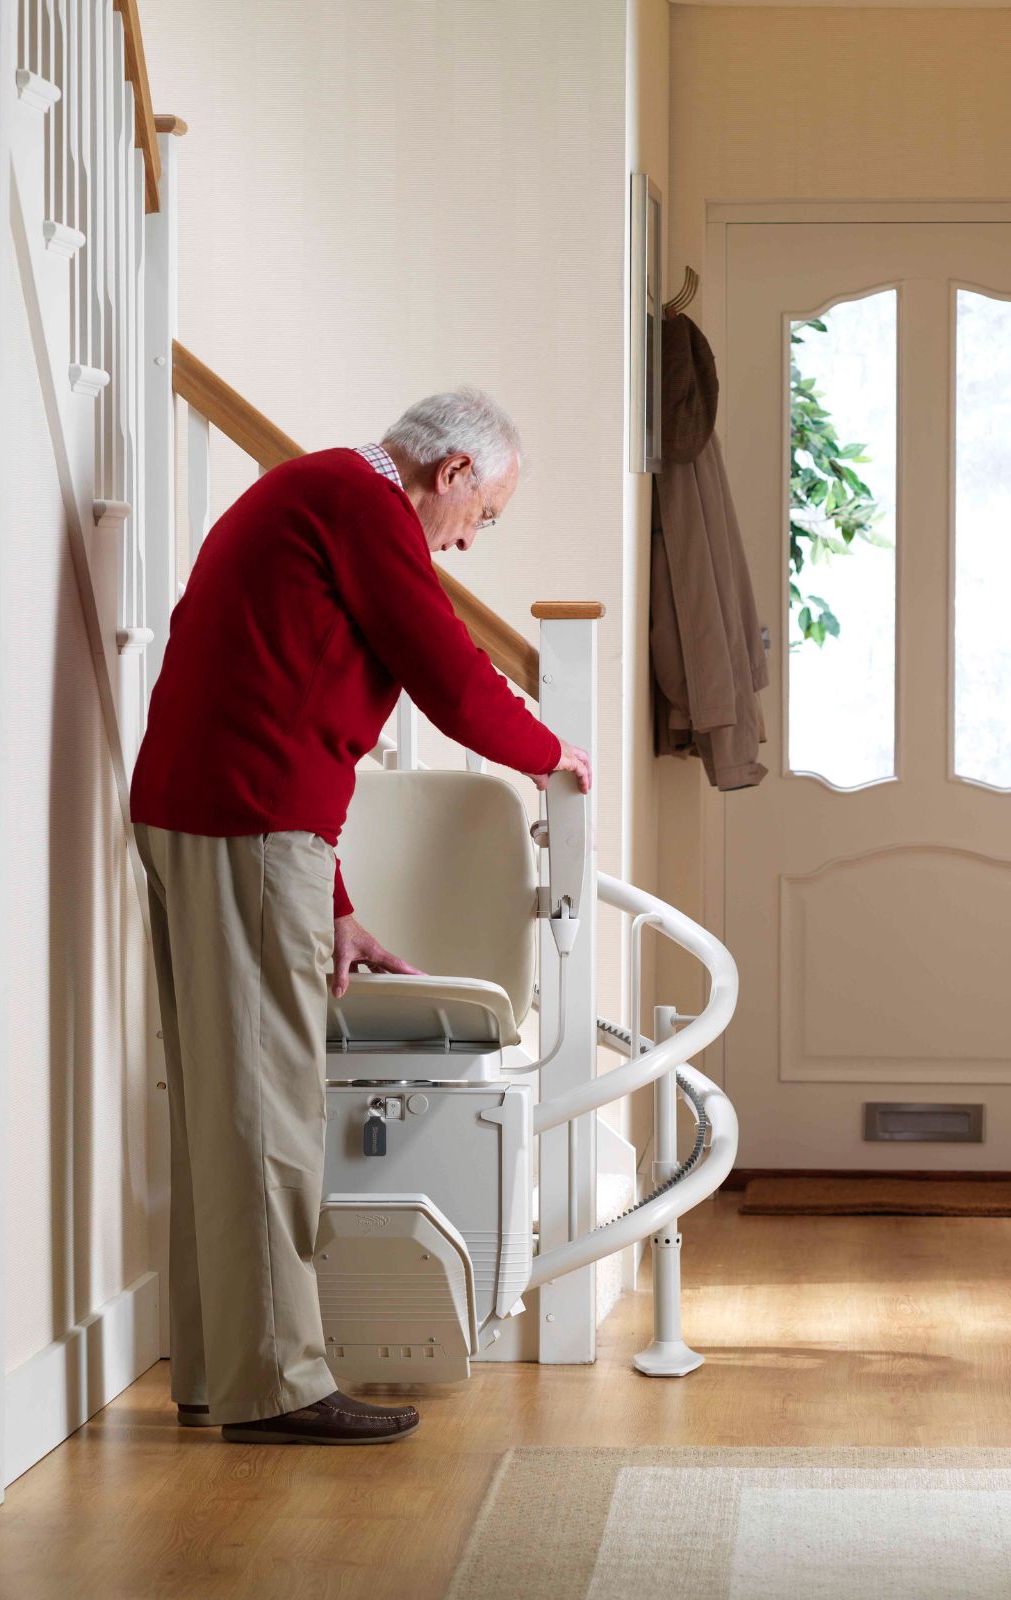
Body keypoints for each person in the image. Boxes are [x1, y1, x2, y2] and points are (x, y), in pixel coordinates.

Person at [130, 390, 590, 1445]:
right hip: (241, 824)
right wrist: (550, 752)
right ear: (452, 474)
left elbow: (278, 699)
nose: (470, 541)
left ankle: (221, 1371)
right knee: (264, 1110)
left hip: (211, 817)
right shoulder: (361, 503)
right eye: (484, 515)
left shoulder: (322, 494)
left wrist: (329, 898)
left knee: (221, 1106)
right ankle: (278, 1382)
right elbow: (447, 673)